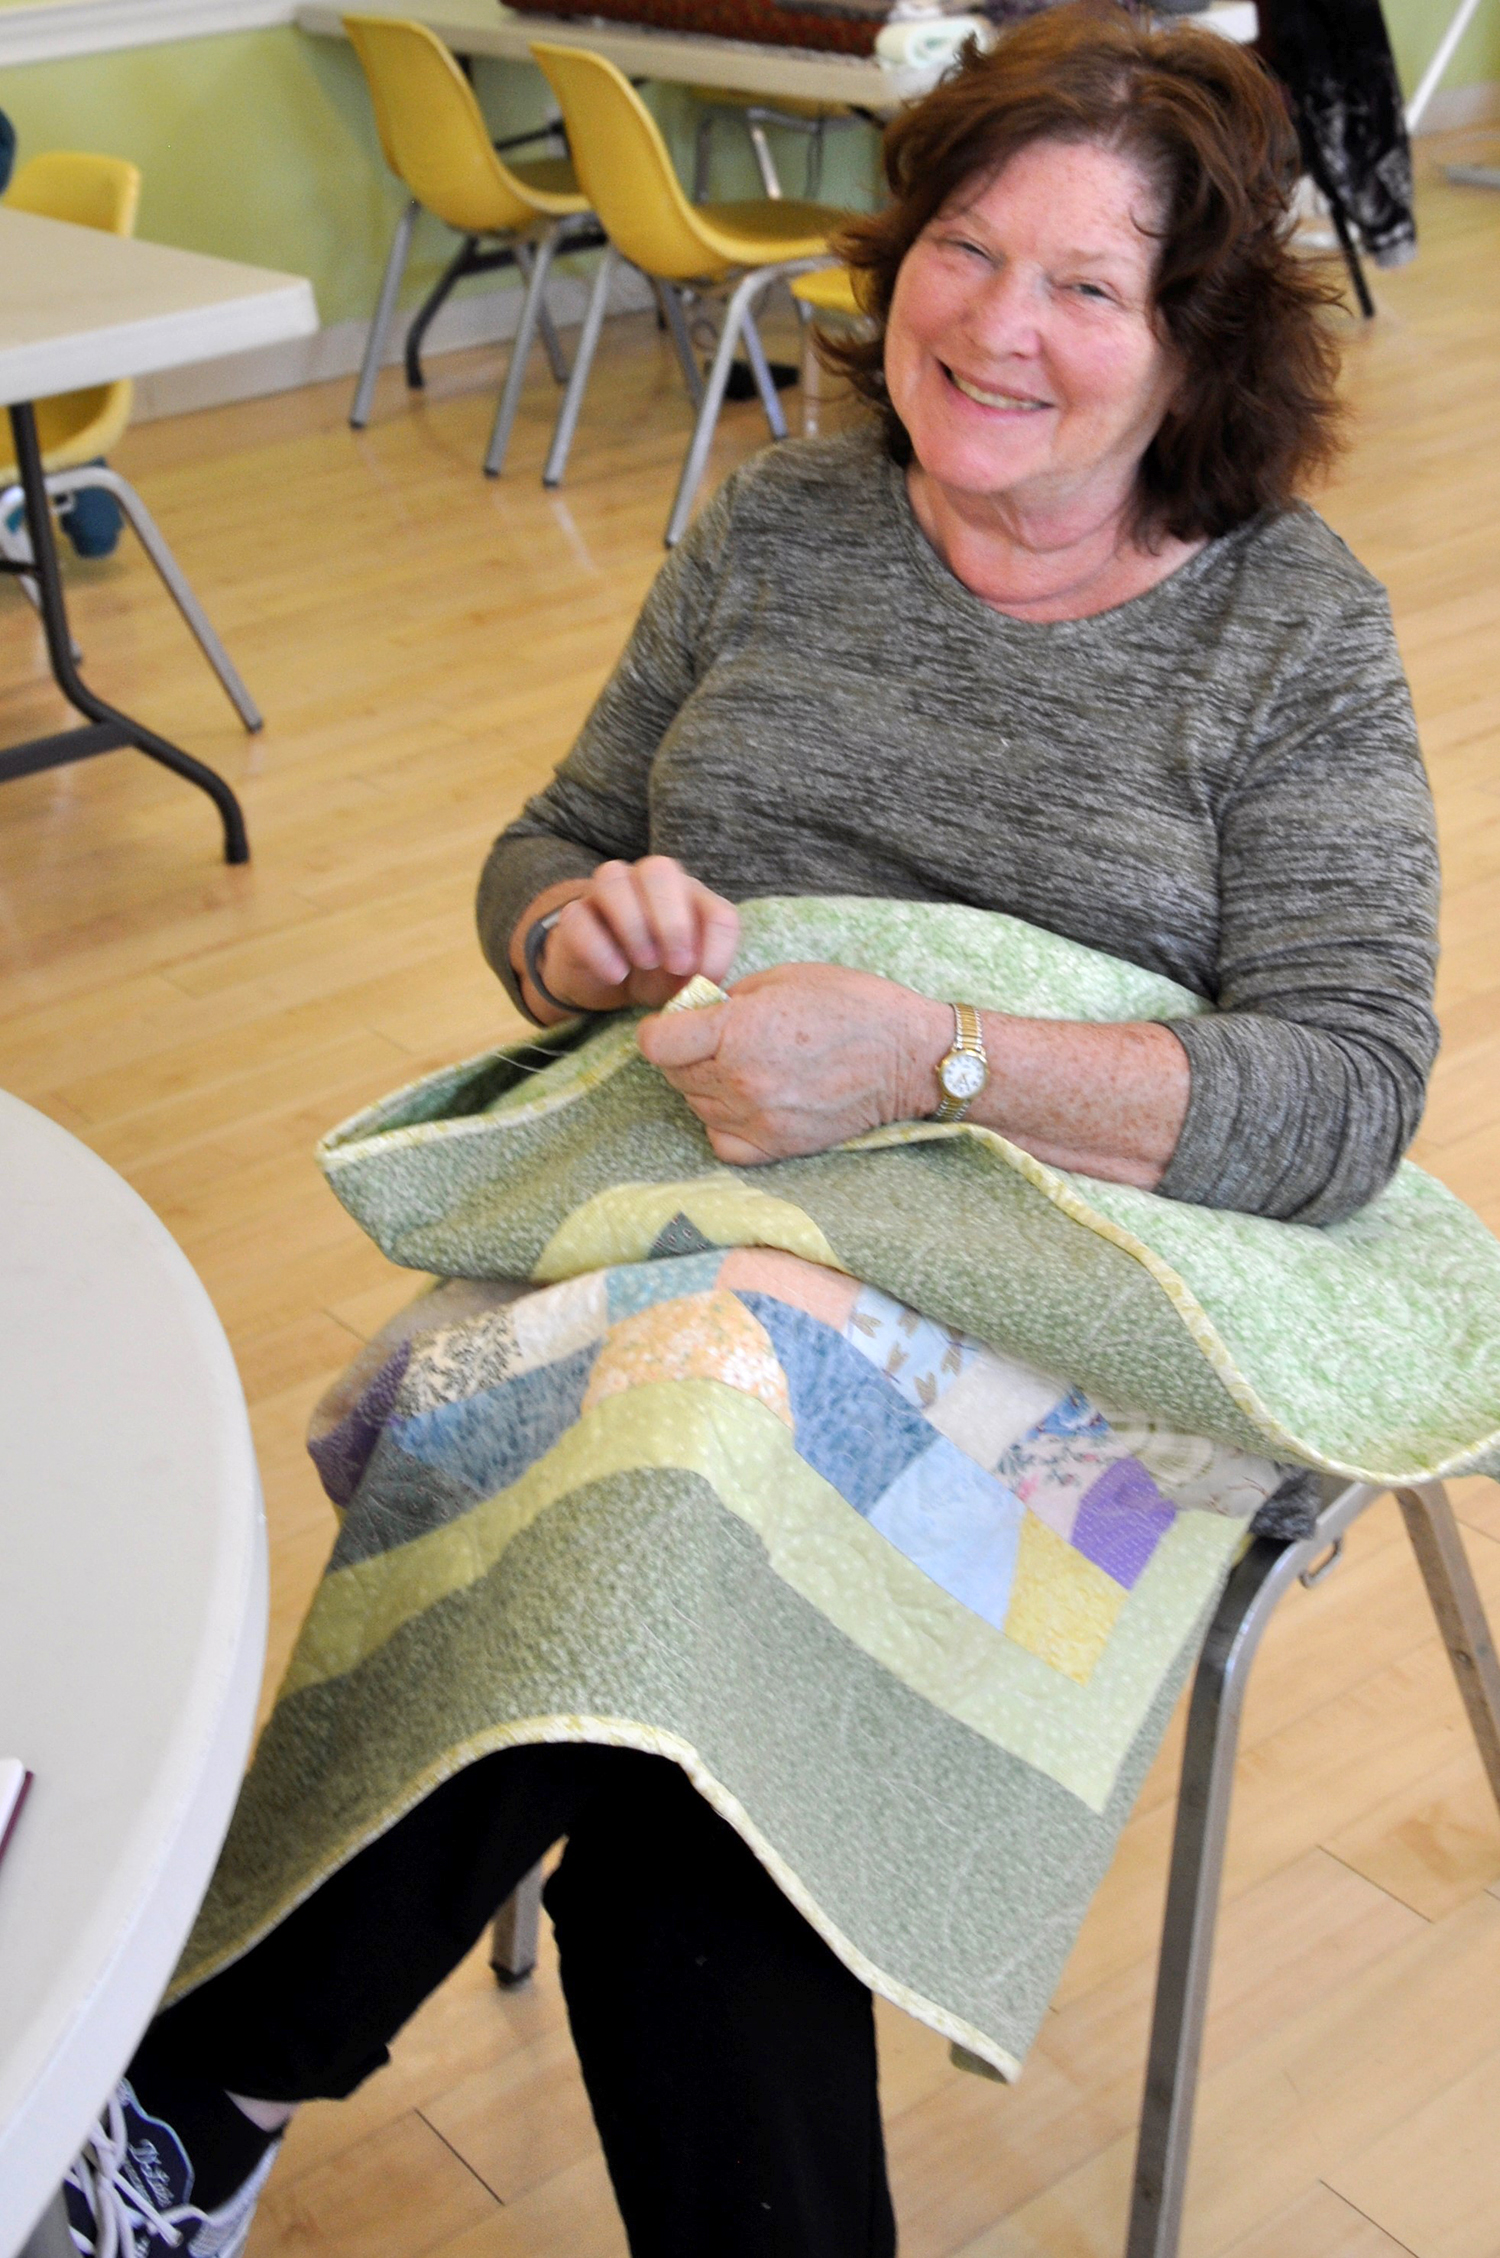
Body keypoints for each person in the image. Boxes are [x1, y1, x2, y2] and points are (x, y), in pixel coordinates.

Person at [64, 8, 1438, 2256]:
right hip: (691, 1227)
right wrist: (576, 933)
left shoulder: (1287, 631)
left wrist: (933, 1059)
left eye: (1088, 289)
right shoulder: (787, 523)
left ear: (1197, 349)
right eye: (967, 249)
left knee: (642, 1503)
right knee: (681, 1661)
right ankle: (184, 2110)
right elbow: (554, 842)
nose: (995, 325)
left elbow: (1352, 1090)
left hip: (1093, 1392)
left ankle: (188, 2092)